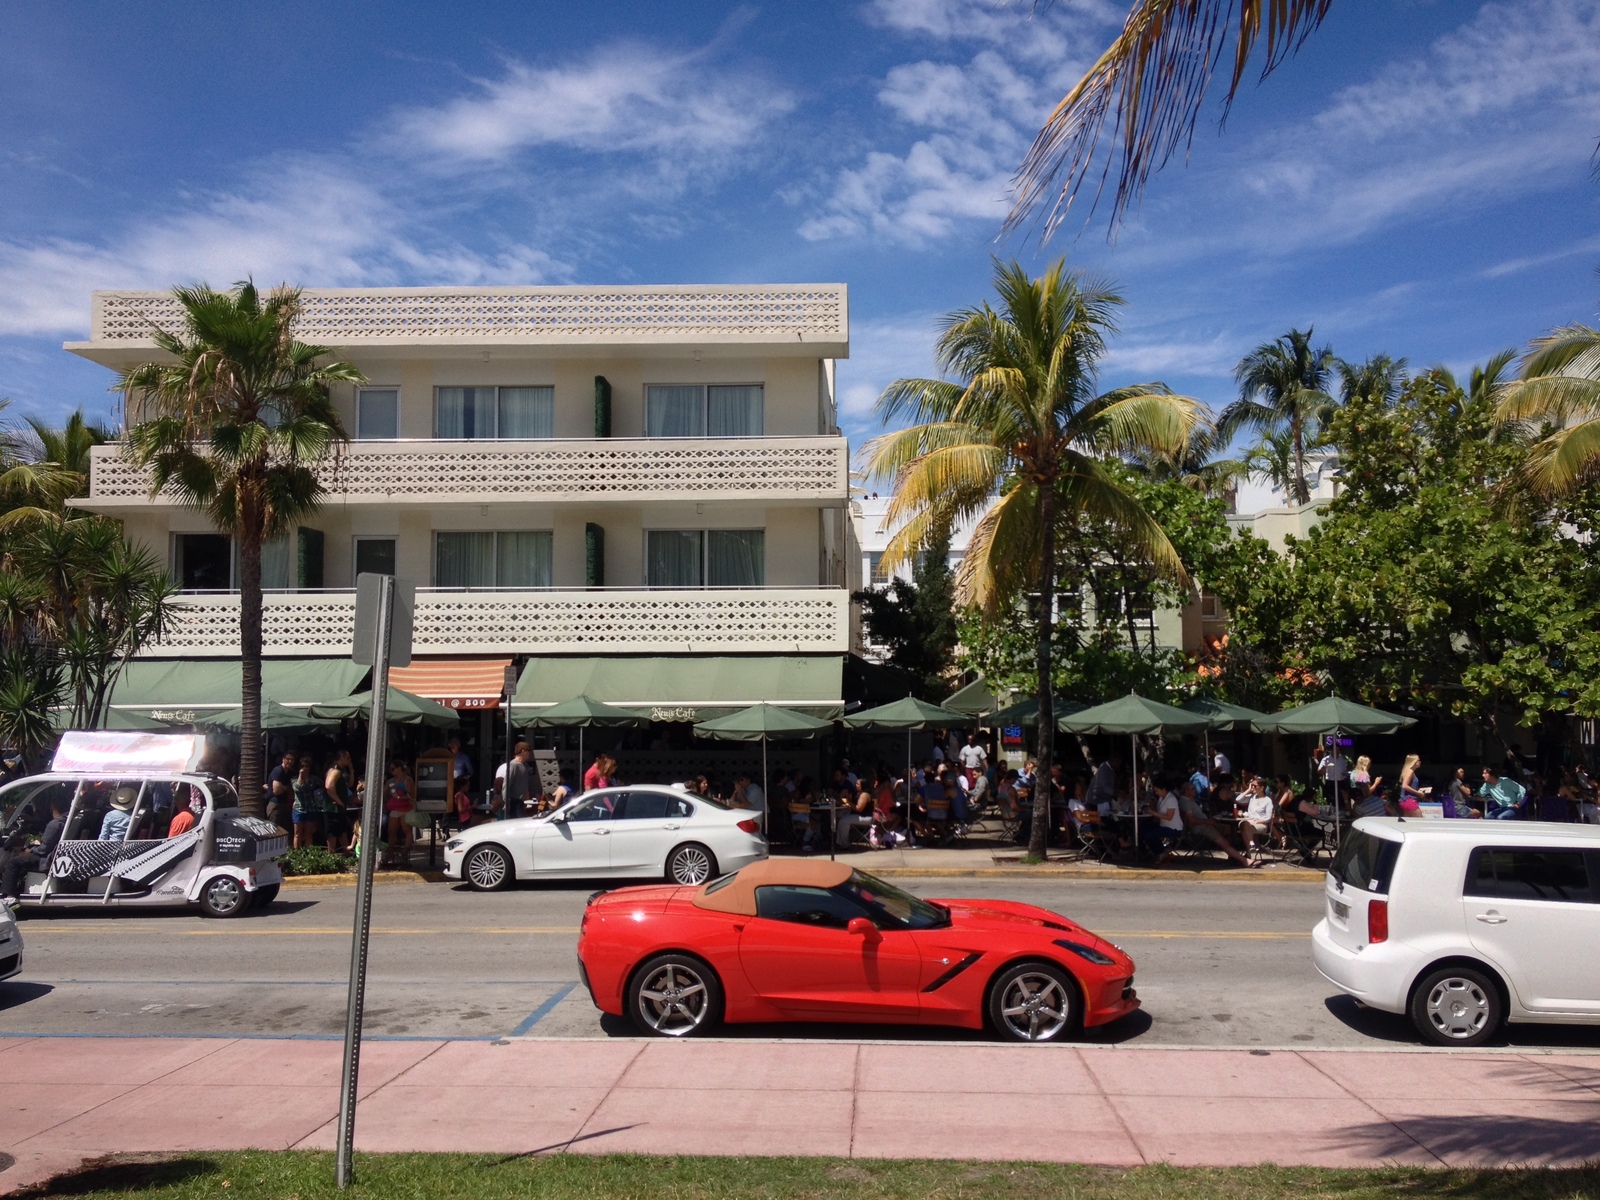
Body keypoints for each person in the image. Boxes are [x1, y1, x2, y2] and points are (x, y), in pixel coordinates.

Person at [1176, 781, 1258, 868]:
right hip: (1201, 827)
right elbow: (1192, 820)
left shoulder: (1190, 800)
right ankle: (1245, 861)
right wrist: (1208, 822)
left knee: (1230, 829)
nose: (1195, 790)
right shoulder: (1185, 802)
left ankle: (1233, 857)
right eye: (1193, 789)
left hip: (1205, 824)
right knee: (1223, 841)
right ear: (1186, 791)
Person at [1, 796, 68, 899]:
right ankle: (18, 886)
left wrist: (30, 850)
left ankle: (9, 896)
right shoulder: (66, 821)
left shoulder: (55, 824)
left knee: (13, 862)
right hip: (57, 855)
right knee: (22, 856)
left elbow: (43, 850)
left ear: (54, 808)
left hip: (48, 858)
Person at [1139, 777, 1185, 861]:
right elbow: (1159, 812)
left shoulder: (1171, 799)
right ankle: (1151, 851)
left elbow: (1169, 817)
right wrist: (1151, 808)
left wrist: (1153, 813)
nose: (1156, 793)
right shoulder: (1161, 798)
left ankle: (1161, 852)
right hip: (1163, 824)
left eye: (1157, 790)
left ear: (1163, 789)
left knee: (1150, 835)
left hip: (1173, 828)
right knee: (1143, 828)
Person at [382, 759, 415, 867]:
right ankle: (390, 853)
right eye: (390, 769)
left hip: (406, 807)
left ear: (399, 768)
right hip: (395, 808)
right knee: (391, 830)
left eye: (393, 769)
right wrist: (387, 800)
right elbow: (385, 793)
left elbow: (412, 795)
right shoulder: (390, 781)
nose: (391, 771)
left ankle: (405, 853)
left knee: (407, 830)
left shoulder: (408, 780)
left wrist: (400, 797)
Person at [324, 749, 354, 852]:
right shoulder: (334, 771)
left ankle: (346, 852)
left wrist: (351, 769)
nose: (350, 760)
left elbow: (349, 784)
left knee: (342, 831)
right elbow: (329, 786)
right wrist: (338, 801)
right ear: (341, 758)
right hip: (333, 807)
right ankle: (330, 857)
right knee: (332, 832)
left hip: (341, 808)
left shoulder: (343, 771)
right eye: (347, 758)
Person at [291, 756, 323, 849]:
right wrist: (301, 776)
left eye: (307, 766)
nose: (304, 768)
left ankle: (308, 853)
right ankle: (297, 853)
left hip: (310, 808)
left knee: (309, 833)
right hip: (299, 808)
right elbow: (297, 788)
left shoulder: (314, 779)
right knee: (298, 833)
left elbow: (324, 786)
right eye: (302, 766)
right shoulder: (294, 778)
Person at [1237, 777, 1274, 853]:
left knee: (1244, 827)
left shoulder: (1267, 801)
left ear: (1261, 788)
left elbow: (1268, 818)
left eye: (1255, 786)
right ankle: (1252, 844)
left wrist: (1257, 822)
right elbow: (1238, 799)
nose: (1252, 787)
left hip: (1261, 824)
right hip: (1249, 822)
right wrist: (1248, 790)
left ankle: (1250, 851)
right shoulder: (1252, 797)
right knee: (1244, 824)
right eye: (1251, 785)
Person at [265, 750, 296, 831]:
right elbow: (276, 790)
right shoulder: (278, 770)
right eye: (288, 759)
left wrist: (283, 787)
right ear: (283, 759)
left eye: (292, 760)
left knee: (286, 829)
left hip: (285, 804)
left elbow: (293, 789)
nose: (289, 761)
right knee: (273, 830)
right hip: (275, 804)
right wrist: (286, 788)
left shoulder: (291, 772)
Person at [505, 741, 533, 819]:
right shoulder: (513, 765)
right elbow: (506, 784)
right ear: (523, 751)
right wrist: (506, 803)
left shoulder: (525, 765)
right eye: (528, 752)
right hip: (514, 801)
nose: (529, 754)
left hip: (522, 802)